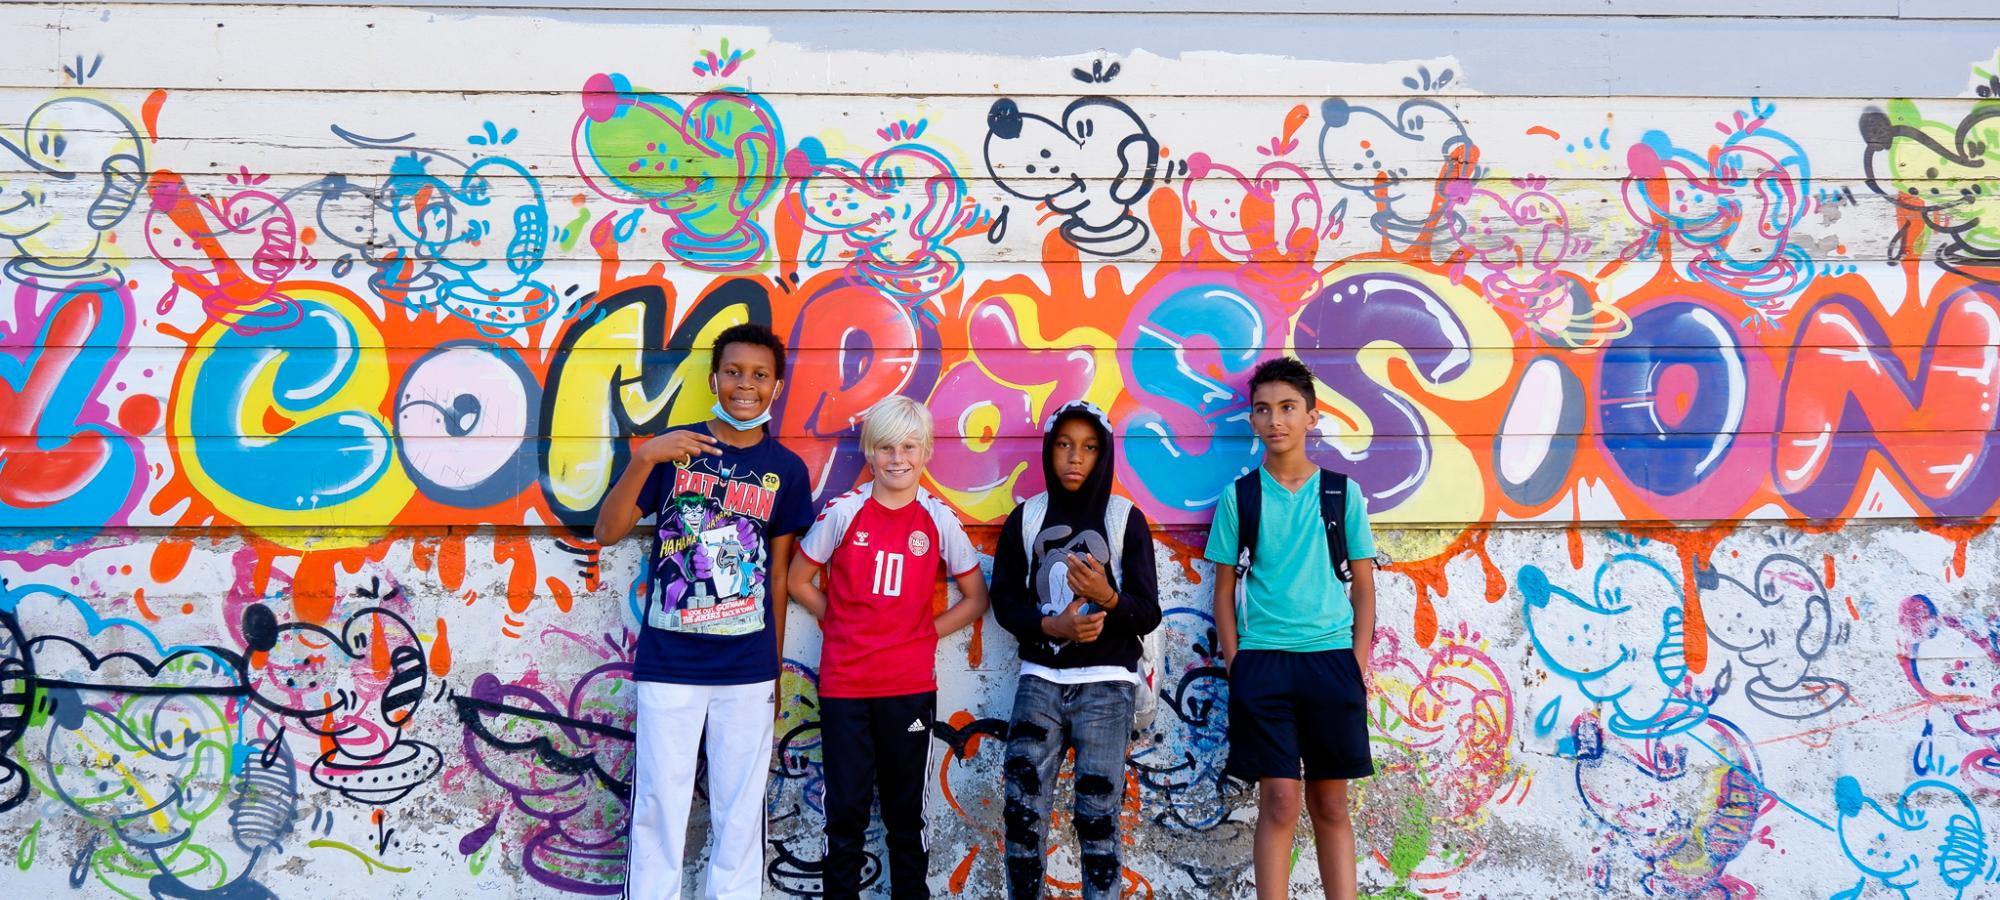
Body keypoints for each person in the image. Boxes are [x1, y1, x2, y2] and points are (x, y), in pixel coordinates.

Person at [592, 322, 813, 900]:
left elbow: (780, 577)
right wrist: (643, 458)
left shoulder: (786, 470)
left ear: (776, 387)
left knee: (740, 817)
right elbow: (606, 532)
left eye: (760, 375)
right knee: (659, 809)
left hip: (746, 668)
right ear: (714, 379)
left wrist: (773, 670)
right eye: (734, 372)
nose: (746, 385)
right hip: (670, 663)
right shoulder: (673, 449)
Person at [787, 395, 990, 900]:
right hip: (845, 688)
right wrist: (840, 622)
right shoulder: (845, 512)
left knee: (906, 815)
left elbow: (975, 597)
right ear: (869, 452)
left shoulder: (938, 519)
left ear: (925, 453)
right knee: (846, 813)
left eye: (909, 446)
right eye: (885, 448)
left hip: (908, 689)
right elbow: (798, 579)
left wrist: (922, 632)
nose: (897, 457)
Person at [1205, 356, 1379, 900]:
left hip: (1331, 663)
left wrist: (1356, 662)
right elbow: (1225, 590)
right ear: (1253, 421)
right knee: (1279, 799)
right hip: (1264, 666)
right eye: (1263, 410)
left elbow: (1365, 587)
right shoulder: (1241, 497)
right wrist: (1239, 664)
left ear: (1311, 417)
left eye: (1287, 408)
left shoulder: (1340, 494)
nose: (1275, 419)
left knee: (1330, 802)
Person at [989, 400, 1162, 900]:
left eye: (1088, 448)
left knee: (1097, 817)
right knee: (1022, 813)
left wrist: (1108, 598)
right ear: (1049, 449)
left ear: (1103, 455)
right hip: (1039, 683)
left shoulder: (1125, 518)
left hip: (1108, 687)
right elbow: (1004, 600)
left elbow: (1147, 611)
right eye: (1064, 445)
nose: (1074, 458)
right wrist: (1051, 624)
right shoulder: (1028, 518)